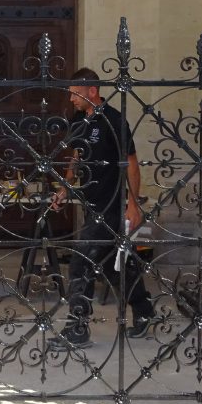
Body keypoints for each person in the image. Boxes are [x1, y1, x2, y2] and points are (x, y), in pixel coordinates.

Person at [46, 68, 153, 350]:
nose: (71, 99)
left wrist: (133, 202)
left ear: (91, 91)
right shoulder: (81, 121)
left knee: (81, 260)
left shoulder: (114, 120)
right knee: (112, 266)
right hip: (92, 203)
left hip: (112, 204)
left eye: (74, 93)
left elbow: (130, 161)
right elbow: (77, 156)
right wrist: (64, 188)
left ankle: (78, 329)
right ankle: (145, 311)